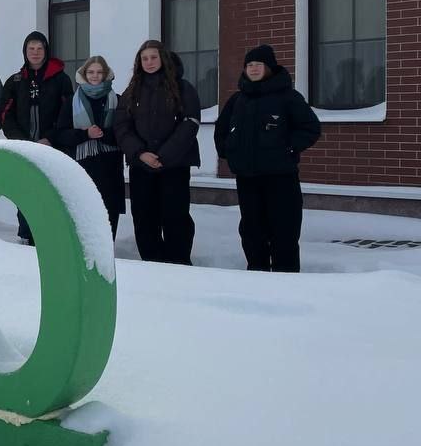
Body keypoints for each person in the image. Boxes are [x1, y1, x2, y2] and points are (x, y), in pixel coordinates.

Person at [215, 44, 322, 272]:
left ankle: (286, 276)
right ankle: (257, 272)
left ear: (269, 67)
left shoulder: (288, 97)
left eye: (258, 64)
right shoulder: (237, 100)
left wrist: (288, 148)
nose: (253, 69)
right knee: (252, 230)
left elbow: (310, 128)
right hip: (247, 178)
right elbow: (221, 130)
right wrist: (229, 151)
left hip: (280, 177)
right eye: (249, 65)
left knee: (284, 230)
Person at [114, 40, 201, 265]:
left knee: (175, 217)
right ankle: (152, 265)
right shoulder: (132, 92)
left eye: (153, 57)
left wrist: (164, 156)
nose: (149, 62)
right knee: (144, 218)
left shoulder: (183, 88)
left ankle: (178, 264)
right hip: (141, 166)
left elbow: (190, 123)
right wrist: (140, 153)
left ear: (163, 58)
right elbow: (122, 127)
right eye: (144, 58)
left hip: (174, 165)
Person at [0, 31, 73, 244]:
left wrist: (50, 137)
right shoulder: (15, 81)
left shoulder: (61, 79)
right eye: (31, 48)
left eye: (39, 48)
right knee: (25, 192)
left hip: (53, 147)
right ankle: (26, 236)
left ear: (46, 51)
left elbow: (66, 112)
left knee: (52, 192)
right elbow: (5, 115)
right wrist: (21, 141)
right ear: (25, 51)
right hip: (24, 149)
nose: (35, 52)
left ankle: (52, 235)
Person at [54, 56, 125, 238]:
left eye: (99, 72)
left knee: (108, 220)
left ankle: (106, 252)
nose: (95, 76)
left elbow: (124, 131)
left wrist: (103, 134)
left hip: (110, 169)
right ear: (84, 74)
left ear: (106, 75)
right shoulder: (72, 101)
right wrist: (85, 134)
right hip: (82, 169)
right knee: (84, 219)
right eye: (91, 72)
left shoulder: (117, 99)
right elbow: (61, 134)